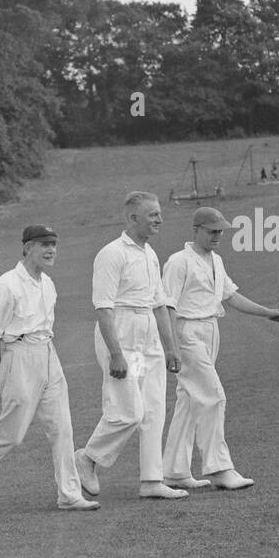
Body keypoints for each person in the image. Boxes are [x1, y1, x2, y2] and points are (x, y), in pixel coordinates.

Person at [0, 225, 99, 512]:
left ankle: (69, 494)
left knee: (62, 428)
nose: (51, 250)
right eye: (44, 244)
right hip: (18, 356)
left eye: (53, 244)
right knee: (12, 433)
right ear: (27, 248)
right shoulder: (7, 284)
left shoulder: (48, 284)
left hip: (48, 354)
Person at [161, 208, 279, 491]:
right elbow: (168, 305)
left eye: (220, 231)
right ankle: (219, 468)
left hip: (210, 329)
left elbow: (230, 296)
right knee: (212, 396)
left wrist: (268, 312)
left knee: (190, 400)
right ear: (196, 230)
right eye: (212, 231)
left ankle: (174, 471)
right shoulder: (178, 262)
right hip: (186, 331)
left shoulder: (216, 261)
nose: (218, 235)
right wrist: (171, 347)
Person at [74, 191, 185, 501]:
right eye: (152, 215)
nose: (159, 219)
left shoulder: (150, 254)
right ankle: (88, 458)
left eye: (159, 213)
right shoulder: (112, 253)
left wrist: (170, 347)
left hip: (148, 335)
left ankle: (151, 480)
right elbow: (103, 308)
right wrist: (117, 353)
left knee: (153, 409)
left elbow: (160, 304)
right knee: (129, 411)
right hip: (122, 334)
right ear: (133, 218)